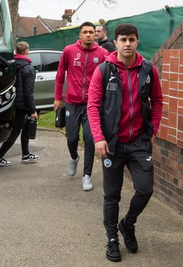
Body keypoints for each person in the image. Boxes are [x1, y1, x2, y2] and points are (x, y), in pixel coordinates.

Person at [87, 23, 163, 262]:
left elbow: (158, 100)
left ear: (137, 42)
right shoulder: (104, 70)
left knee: (145, 189)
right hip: (112, 144)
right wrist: (98, 137)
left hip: (140, 141)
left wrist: (154, 129)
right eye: (123, 39)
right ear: (116, 42)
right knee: (112, 195)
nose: (127, 43)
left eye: (131, 39)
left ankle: (127, 223)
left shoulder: (148, 69)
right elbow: (93, 105)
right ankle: (112, 239)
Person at [54, 21, 109, 191]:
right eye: (85, 32)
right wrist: (58, 98)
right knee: (71, 138)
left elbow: (111, 73)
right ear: (79, 34)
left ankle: (87, 176)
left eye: (91, 32)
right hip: (71, 102)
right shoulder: (69, 51)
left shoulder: (103, 53)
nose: (88, 34)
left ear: (95, 34)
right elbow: (60, 74)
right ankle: (73, 157)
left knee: (90, 139)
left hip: (92, 104)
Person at [0, 41, 39, 167]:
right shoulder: (28, 69)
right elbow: (28, 92)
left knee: (24, 128)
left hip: (11, 103)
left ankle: (26, 155)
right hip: (22, 105)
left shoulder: (12, 65)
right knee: (15, 132)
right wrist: (33, 110)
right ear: (27, 51)